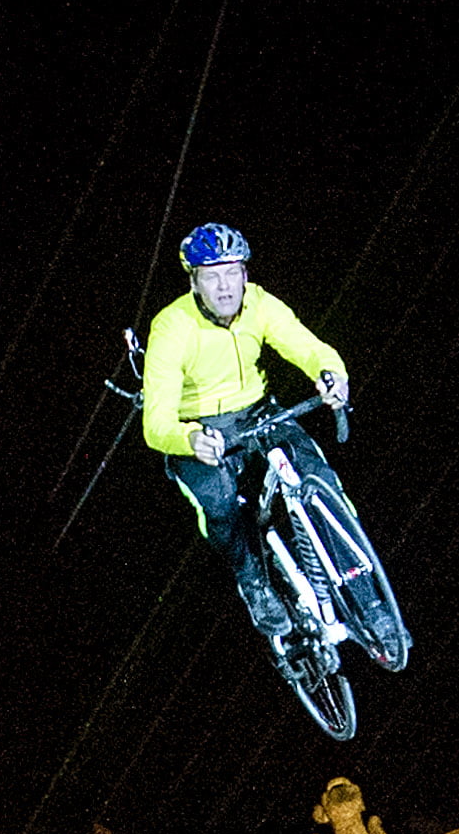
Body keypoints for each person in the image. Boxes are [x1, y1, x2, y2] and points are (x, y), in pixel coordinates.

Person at [140, 223, 352, 636]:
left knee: (318, 476)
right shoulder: (171, 327)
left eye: (232, 272)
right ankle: (253, 582)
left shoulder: (260, 303)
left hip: (256, 411)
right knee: (220, 505)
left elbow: (307, 346)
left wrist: (330, 373)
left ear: (245, 274)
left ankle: (366, 593)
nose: (224, 287)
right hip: (202, 428)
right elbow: (156, 423)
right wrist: (189, 439)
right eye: (211, 276)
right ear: (194, 282)